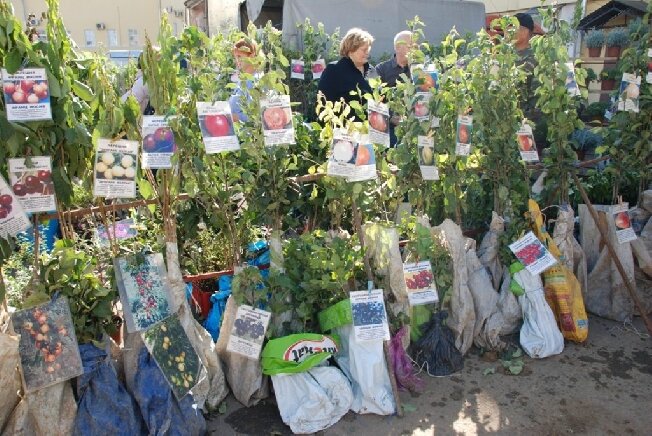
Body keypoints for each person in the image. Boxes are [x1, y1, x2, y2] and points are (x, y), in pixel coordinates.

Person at [317, 27, 375, 110]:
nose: (367, 52)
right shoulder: (334, 70)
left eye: (368, 49)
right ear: (351, 50)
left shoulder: (372, 70)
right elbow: (323, 102)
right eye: (364, 50)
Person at [375, 30, 413, 146]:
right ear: (397, 47)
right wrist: (390, 117)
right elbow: (375, 100)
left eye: (415, 46)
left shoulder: (419, 70)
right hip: (390, 128)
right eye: (410, 45)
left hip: (414, 128)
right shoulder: (382, 69)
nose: (414, 49)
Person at [514, 12, 546, 148]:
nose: (509, 32)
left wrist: (527, 124)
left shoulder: (535, 57)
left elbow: (537, 98)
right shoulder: (504, 56)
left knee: (529, 165)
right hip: (505, 121)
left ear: (525, 31)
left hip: (527, 122)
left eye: (514, 27)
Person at [229, 38, 259, 123]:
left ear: (252, 56)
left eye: (239, 56)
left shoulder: (256, 82)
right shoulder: (243, 81)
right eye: (235, 57)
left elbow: (257, 117)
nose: (236, 61)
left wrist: (234, 117)